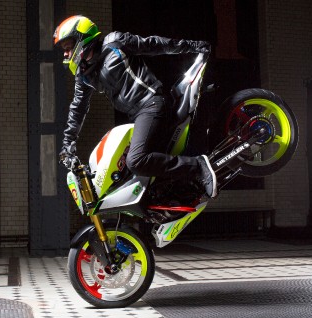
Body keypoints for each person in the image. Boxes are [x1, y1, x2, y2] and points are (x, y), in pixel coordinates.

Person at [54, 15, 217, 198]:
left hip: (152, 103)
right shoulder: (84, 74)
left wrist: (193, 46)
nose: (66, 54)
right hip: (136, 116)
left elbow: (155, 45)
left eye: (68, 47)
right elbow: (78, 108)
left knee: (136, 160)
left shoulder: (114, 43)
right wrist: (68, 142)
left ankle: (198, 166)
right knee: (126, 175)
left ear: (82, 38)